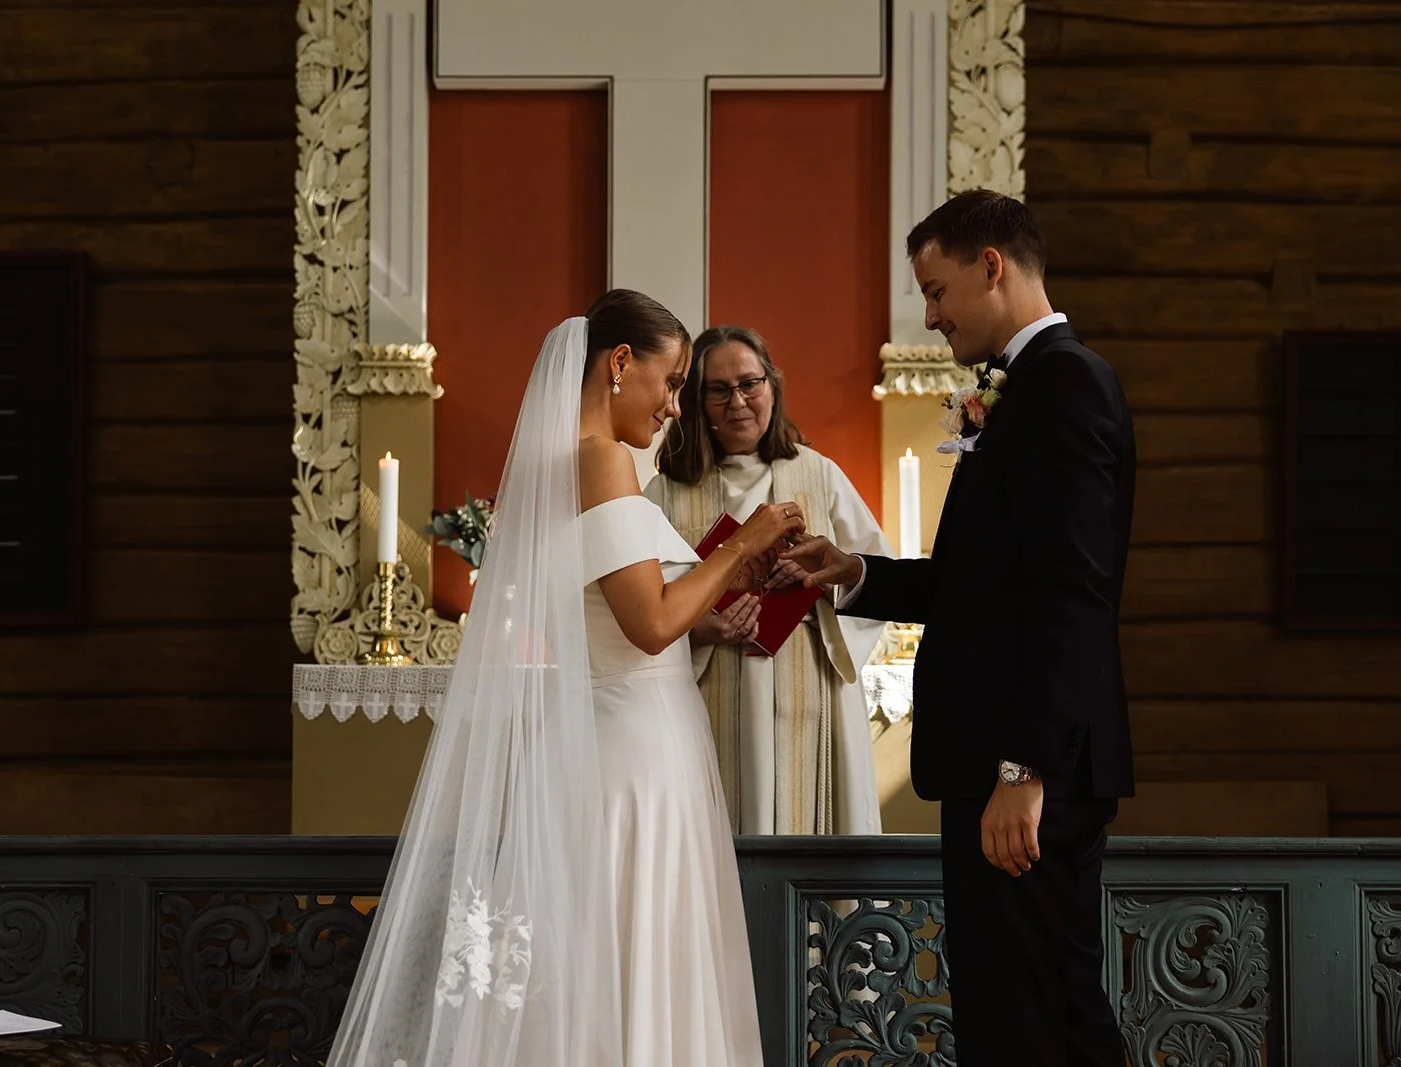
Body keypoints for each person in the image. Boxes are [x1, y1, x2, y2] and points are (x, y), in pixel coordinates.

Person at [324, 289, 804, 1067]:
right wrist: (742, 545)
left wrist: (709, 617)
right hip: (634, 760)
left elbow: (614, 621)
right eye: (673, 380)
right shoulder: (601, 459)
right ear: (620, 363)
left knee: (600, 962)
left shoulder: (560, 468)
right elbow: (648, 623)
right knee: (635, 955)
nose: (676, 406)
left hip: (618, 740)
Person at [783, 191, 1136, 1066]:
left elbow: (1072, 592)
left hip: (1022, 769)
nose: (932, 316)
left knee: (1030, 1015)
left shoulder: (1065, 385)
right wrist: (857, 573)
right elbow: (987, 584)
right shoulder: (1025, 388)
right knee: (1030, 1005)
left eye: (937, 292)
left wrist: (1025, 767)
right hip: (1006, 762)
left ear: (993, 265)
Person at [646, 325, 892, 835]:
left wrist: (820, 579)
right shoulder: (666, 493)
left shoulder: (819, 474)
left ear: (772, 388)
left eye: (749, 384)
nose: (737, 401)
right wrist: (701, 628)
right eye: (718, 389)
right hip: (709, 693)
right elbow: (643, 611)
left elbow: (873, 577)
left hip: (810, 690)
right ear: (696, 401)